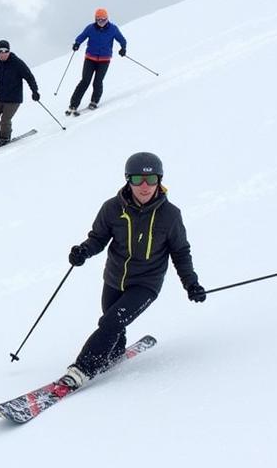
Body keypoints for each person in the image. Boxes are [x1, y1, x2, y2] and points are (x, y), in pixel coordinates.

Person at [59, 151, 206, 389]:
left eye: (151, 180)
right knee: (113, 324)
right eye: (138, 179)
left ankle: (82, 369)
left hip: (146, 284)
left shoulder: (170, 215)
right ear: (128, 180)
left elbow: (180, 252)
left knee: (110, 322)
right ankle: (114, 352)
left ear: (160, 180)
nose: (145, 186)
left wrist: (191, 284)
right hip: (114, 278)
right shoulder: (112, 208)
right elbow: (98, 238)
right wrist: (83, 251)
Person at [66, 8, 127, 116]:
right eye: (99, 20)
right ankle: (73, 104)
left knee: (97, 82)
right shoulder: (90, 28)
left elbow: (122, 40)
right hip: (90, 59)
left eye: (104, 20)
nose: (101, 22)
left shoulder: (113, 29)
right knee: (85, 81)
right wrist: (77, 43)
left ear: (107, 19)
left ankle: (94, 101)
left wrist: (123, 48)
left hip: (104, 60)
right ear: (95, 20)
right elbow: (82, 36)